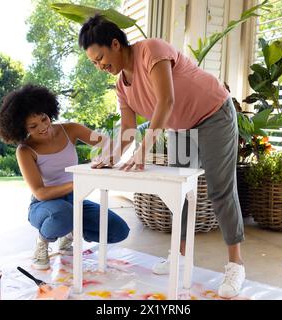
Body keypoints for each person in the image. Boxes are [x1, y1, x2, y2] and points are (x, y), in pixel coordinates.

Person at [78, 15, 245, 298]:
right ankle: (178, 256)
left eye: (101, 58)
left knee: (220, 189)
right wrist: (111, 157)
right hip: (180, 125)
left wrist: (143, 152)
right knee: (177, 190)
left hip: (214, 113)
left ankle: (236, 264)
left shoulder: (151, 51)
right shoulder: (121, 85)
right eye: (94, 63)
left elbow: (166, 101)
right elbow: (129, 128)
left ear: (116, 44)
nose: (100, 66)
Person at [0, 84, 130, 270]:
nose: (43, 127)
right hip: (44, 206)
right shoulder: (25, 150)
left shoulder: (70, 129)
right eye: (33, 126)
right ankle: (43, 242)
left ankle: (68, 234)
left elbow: (108, 143)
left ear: (49, 112)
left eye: (44, 119)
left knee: (118, 230)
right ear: (21, 128)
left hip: (74, 200)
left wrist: (104, 157)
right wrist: (79, 182)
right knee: (64, 214)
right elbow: (40, 192)